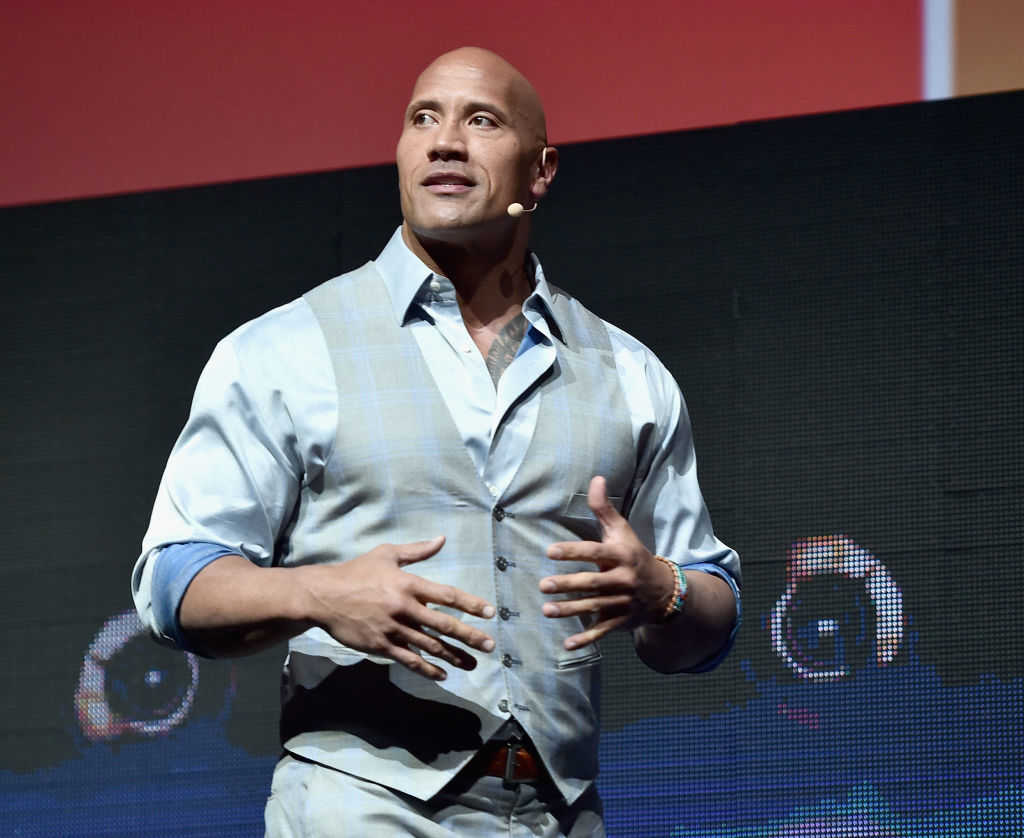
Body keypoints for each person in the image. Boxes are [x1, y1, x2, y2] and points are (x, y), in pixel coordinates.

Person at [132, 46, 741, 837]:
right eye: (424, 118)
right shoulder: (284, 349)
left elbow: (708, 620)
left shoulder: (628, 371)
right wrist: (318, 593)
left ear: (541, 170)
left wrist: (660, 588)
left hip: (562, 816)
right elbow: (173, 580)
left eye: (480, 121)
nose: (444, 141)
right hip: (359, 811)